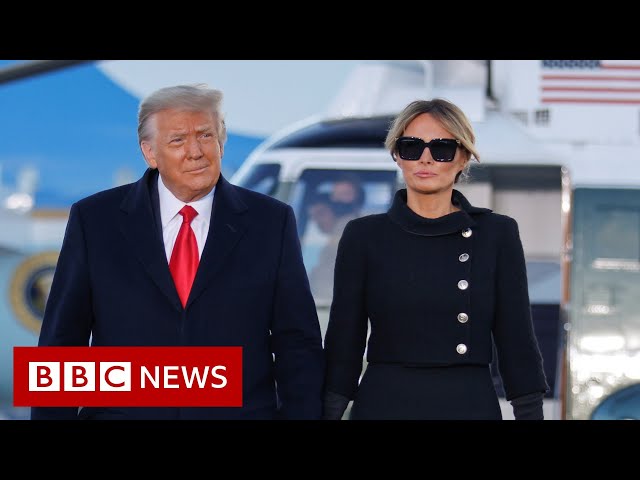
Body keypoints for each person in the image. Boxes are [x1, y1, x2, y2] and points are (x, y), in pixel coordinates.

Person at [31, 84, 325, 420]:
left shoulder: (270, 221)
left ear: (221, 142)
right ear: (150, 153)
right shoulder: (95, 221)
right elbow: (61, 343)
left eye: (205, 135)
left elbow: (297, 343)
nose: (195, 151)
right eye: (178, 140)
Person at [322, 98, 549, 420]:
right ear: (397, 155)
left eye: (442, 148)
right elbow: (344, 341)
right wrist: (328, 410)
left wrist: (530, 413)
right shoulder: (364, 236)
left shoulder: (496, 234)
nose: (425, 158)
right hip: (385, 404)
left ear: (463, 157)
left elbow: (517, 339)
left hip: (467, 404)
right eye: (411, 147)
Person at [306, 175, 365, 303]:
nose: (316, 221)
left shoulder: (348, 231)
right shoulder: (336, 236)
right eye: (313, 216)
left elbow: (331, 282)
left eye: (321, 213)